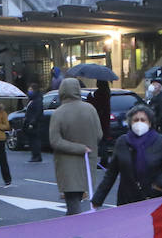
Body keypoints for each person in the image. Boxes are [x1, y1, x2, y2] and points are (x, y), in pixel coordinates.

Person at [91, 104, 162, 208]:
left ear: (150, 123)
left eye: (143, 120)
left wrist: (160, 183)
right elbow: (111, 173)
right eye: (136, 120)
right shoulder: (122, 142)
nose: (139, 123)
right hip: (127, 200)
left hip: (154, 199)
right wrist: (98, 199)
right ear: (130, 122)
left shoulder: (161, 142)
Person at [48, 77, 102, 215]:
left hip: (67, 166)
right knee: (78, 200)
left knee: (73, 206)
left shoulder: (58, 113)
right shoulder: (91, 109)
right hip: (87, 163)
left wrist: (78, 148)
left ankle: (75, 234)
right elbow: (99, 135)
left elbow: (55, 141)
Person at [91, 79, 112, 165]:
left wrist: (90, 98)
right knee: (104, 140)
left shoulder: (99, 93)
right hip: (106, 119)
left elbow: (96, 105)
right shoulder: (107, 92)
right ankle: (104, 160)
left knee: (101, 140)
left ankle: (103, 161)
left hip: (100, 119)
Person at [22, 87, 44, 162]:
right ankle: (34, 155)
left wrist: (32, 122)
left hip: (34, 124)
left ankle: (37, 156)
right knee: (32, 140)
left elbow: (38, 112)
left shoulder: (37, 101)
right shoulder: (32, 100)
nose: (29, 92)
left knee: (35, 140)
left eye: (31, 90)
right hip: (30, 123)